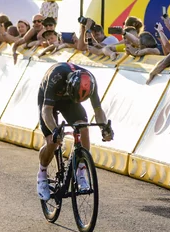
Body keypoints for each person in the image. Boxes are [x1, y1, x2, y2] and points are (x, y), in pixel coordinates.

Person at [37, 62, 114, 201]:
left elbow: (98, 110)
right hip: (49, 100)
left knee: (83, 128)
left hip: (71, 100)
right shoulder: (56, 77)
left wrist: (104, 128)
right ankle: (42, 176)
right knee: (52, 142)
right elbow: (46, 110)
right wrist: (55, 131)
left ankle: (81, 171)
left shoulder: (91, 81)